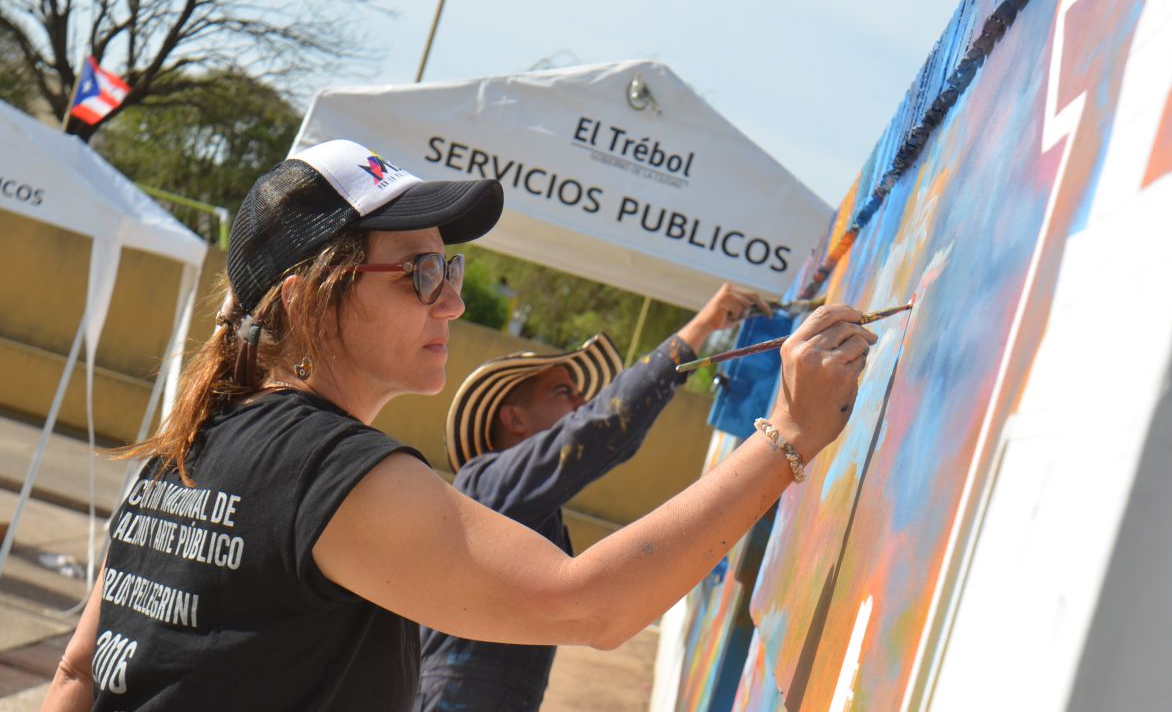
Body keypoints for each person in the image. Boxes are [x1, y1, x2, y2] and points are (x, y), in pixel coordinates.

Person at [40, 139, 875, 712]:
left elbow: (80, 671)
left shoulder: (184, 451)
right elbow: (589, 605)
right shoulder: (326, 467)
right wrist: (788, 435)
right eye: (421, 273)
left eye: (451, 267)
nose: (453, 300)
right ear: (306, 299)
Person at [419, 284, 771, 710]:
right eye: (563, 392)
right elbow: (597, 428)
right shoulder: (484, 485)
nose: (582, 401)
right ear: (514, 418)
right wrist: (698, 330)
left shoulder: (520, 504)